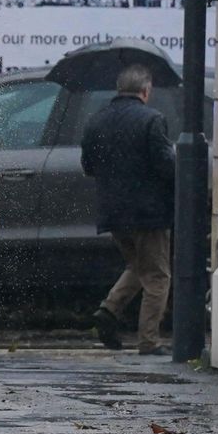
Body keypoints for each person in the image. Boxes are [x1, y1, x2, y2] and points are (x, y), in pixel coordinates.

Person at [80, 63, 175, 354]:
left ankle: (108, 311)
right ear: (146, 91)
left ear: (119, 89)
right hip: (149, 213)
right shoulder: (152, 120)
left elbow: (88, 166)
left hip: (113, 212)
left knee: (138, 266)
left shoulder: (96, 121)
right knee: (158, 275)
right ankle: (149, 341)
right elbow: (166, 167)